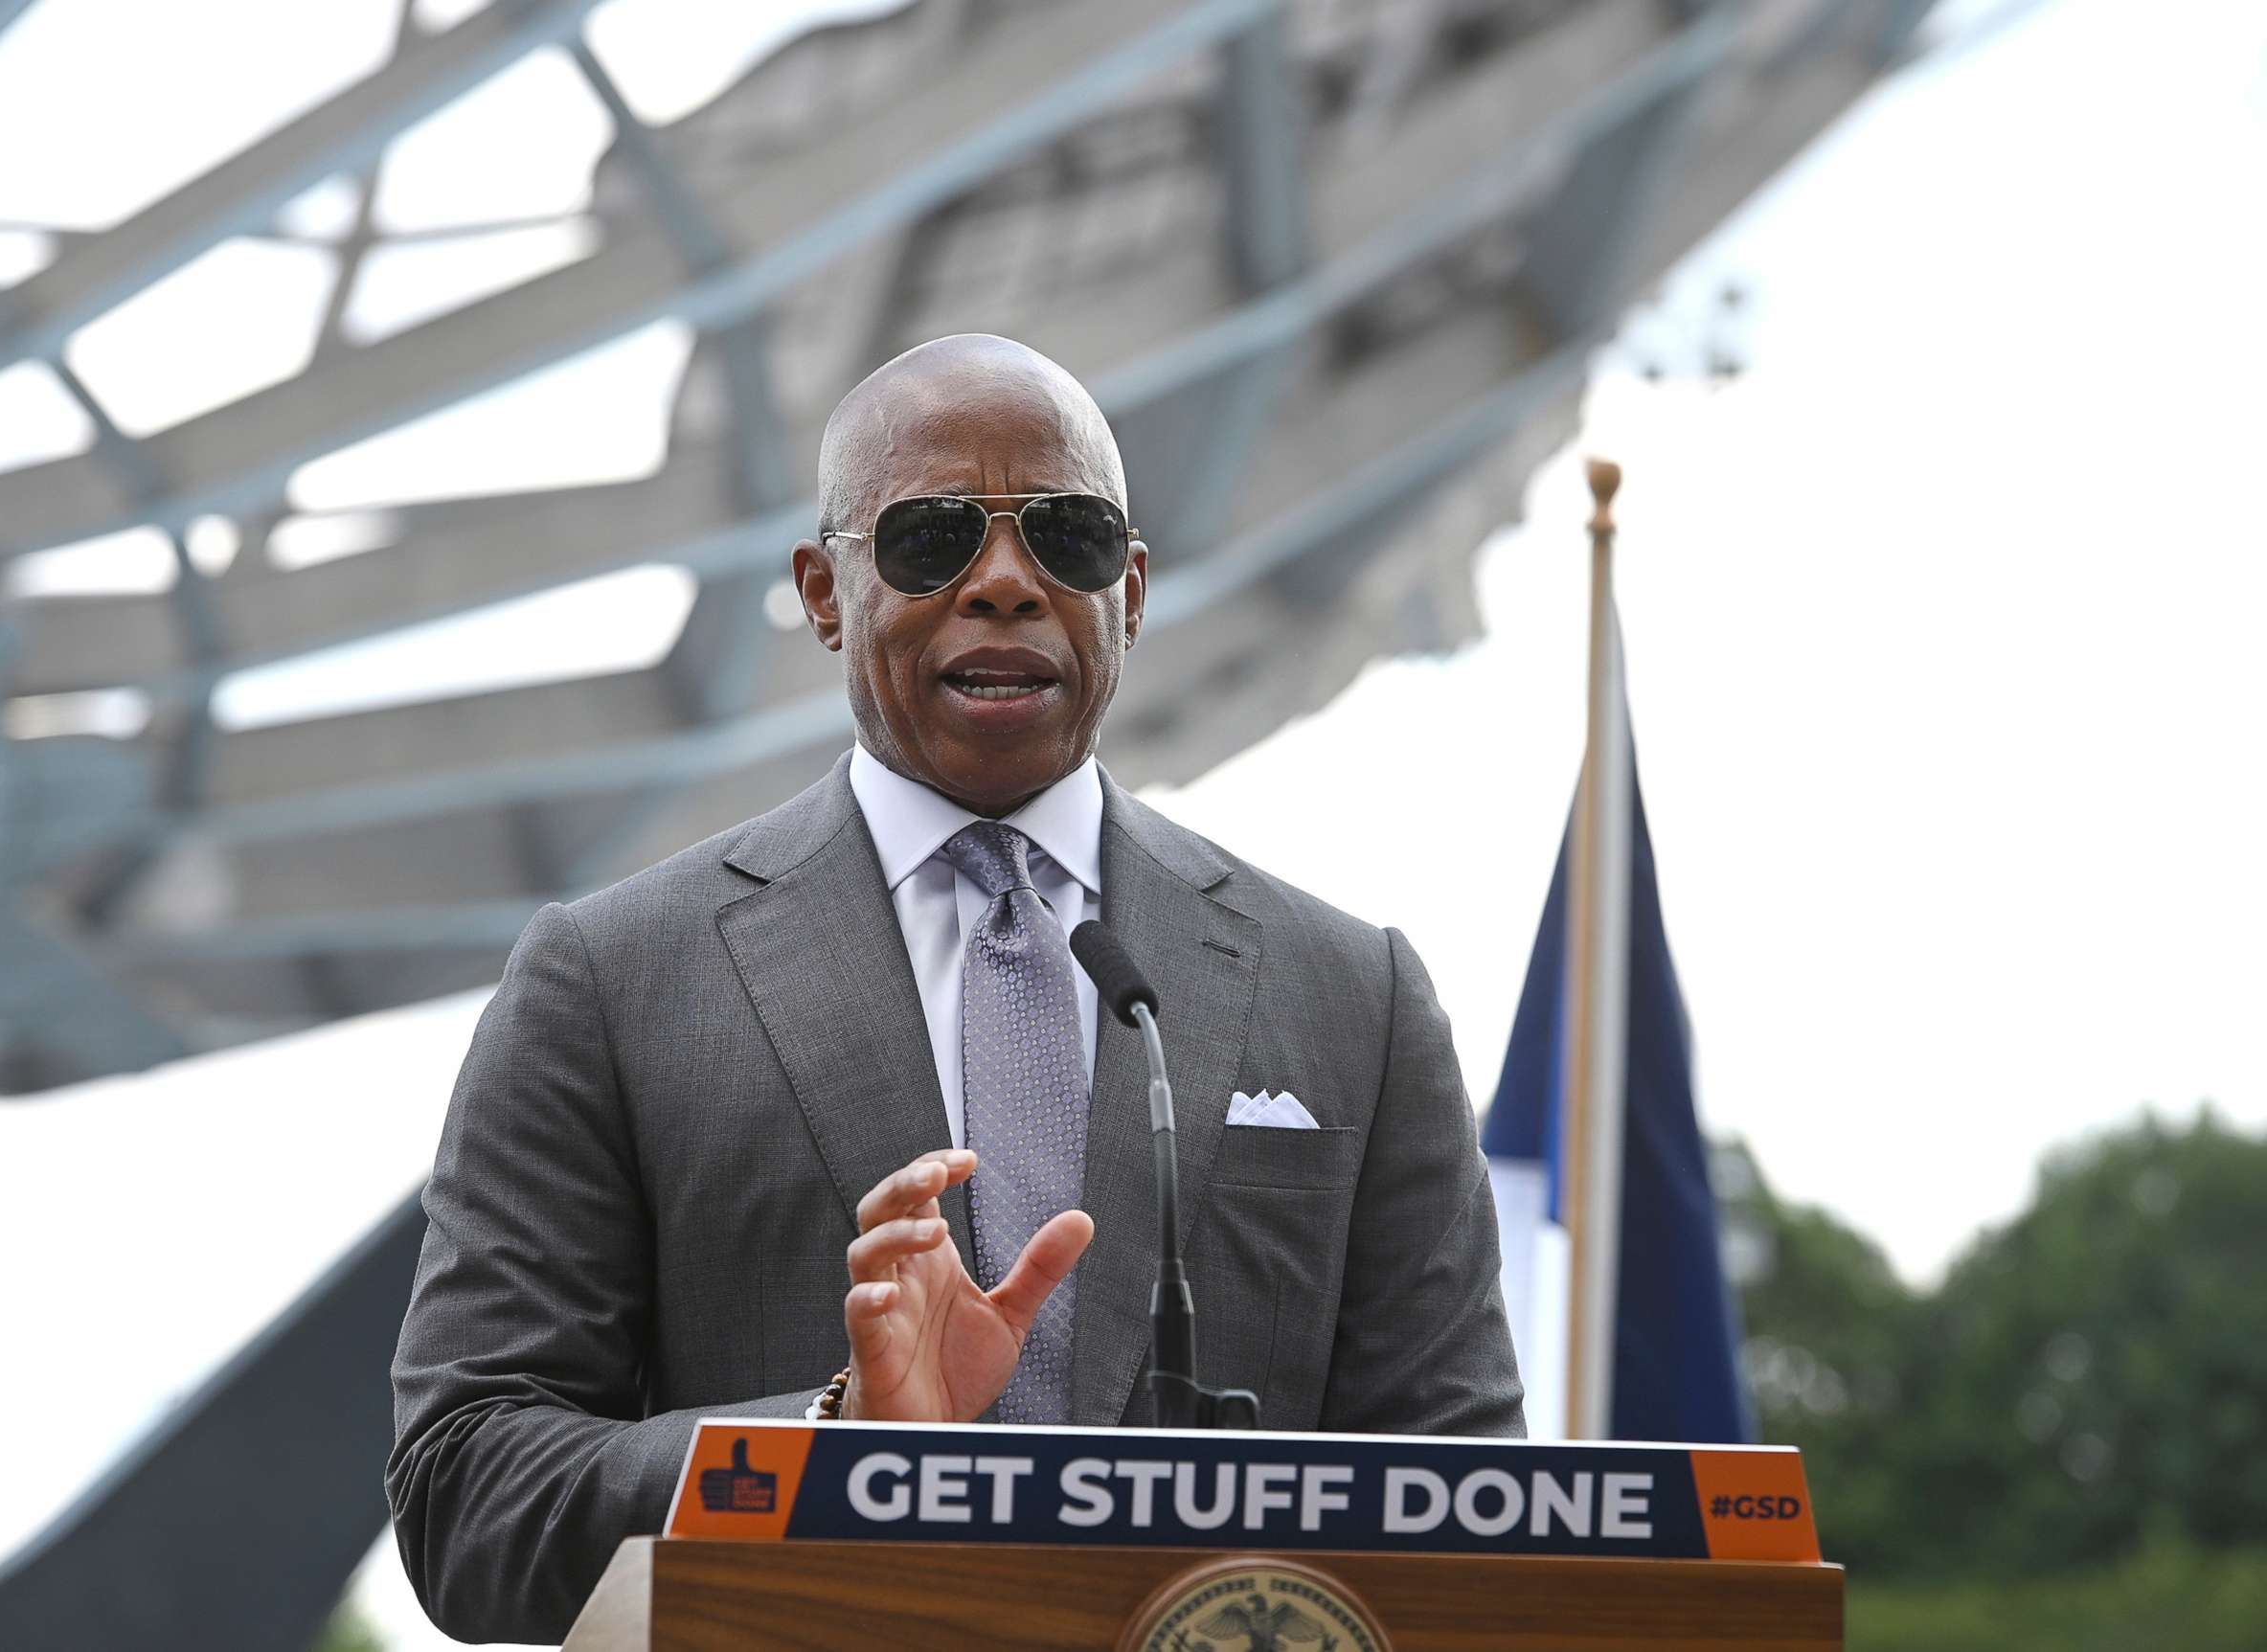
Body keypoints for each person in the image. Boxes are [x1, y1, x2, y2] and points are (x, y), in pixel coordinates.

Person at [387, 333, 1523, 1643]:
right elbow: (464, 1494)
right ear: (824, 590)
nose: (1004, 582)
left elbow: (1472, 1512)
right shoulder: (611, 980)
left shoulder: (1352, 995)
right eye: (931, 538)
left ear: (1133, 591)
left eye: (1070, 537)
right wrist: (834, 1443)